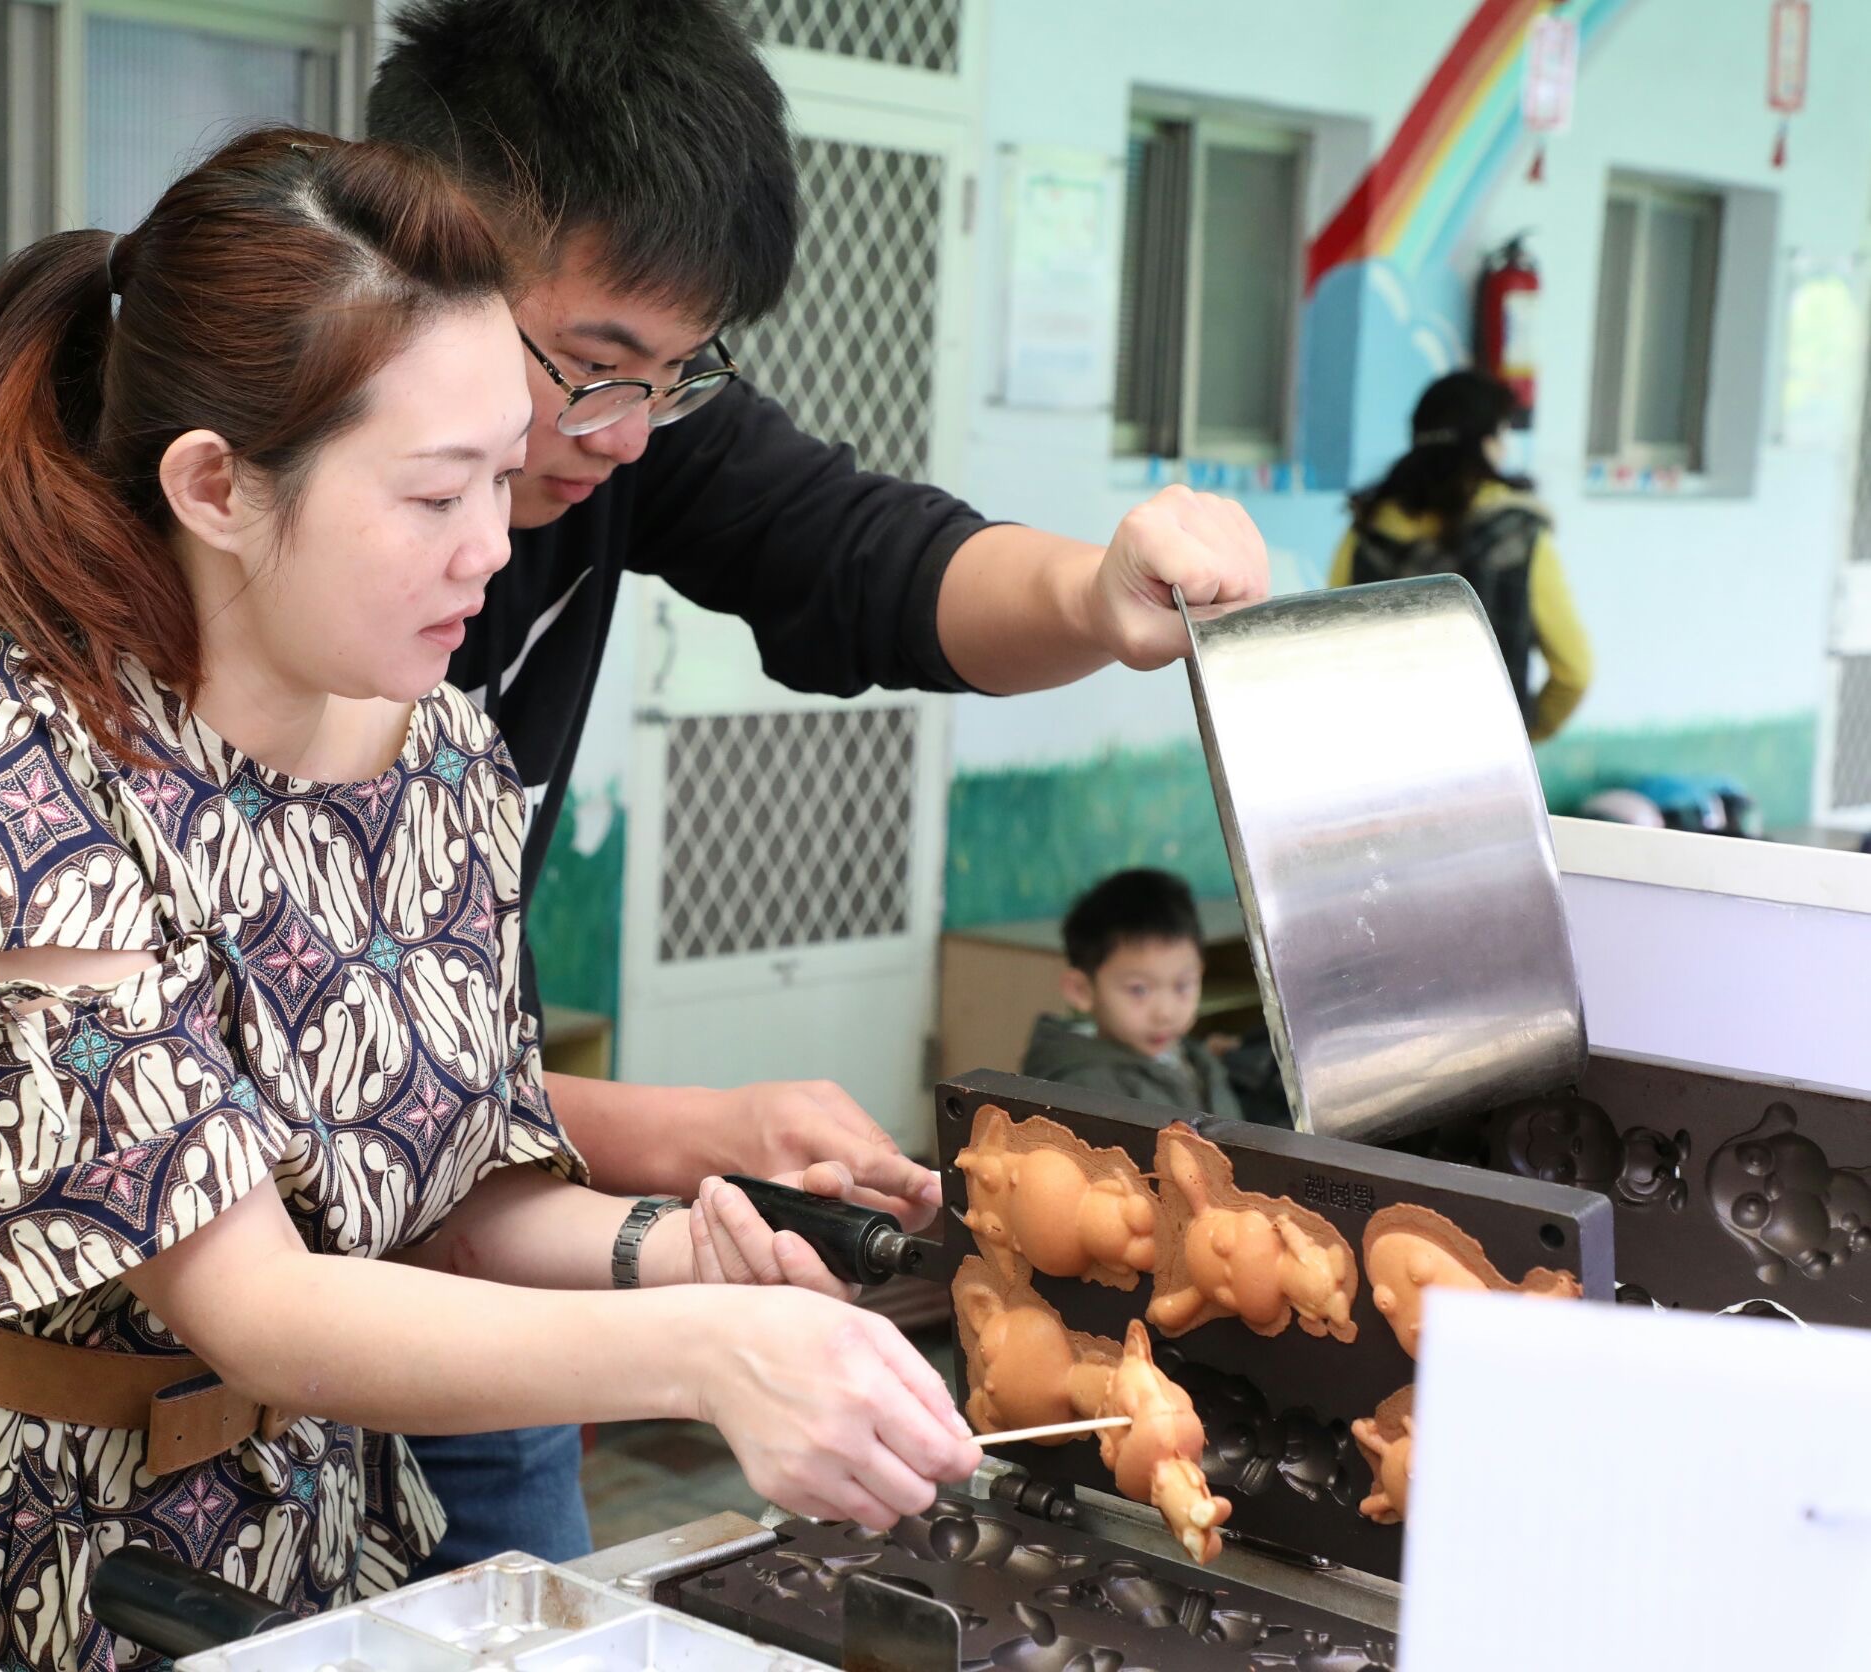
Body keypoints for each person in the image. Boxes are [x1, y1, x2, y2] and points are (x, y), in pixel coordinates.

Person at [0, 129, 980, 1672]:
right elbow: (258, 1304)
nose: (493, 547)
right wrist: (706, 1351)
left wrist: (683, 1248)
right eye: (433, 496)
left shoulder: (434, 747)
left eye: (503, 476)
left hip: (274, 1525)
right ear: (216, 485)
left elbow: (452, 1196)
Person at [366, 0, 1273, 1570]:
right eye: (591, 367)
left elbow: (860, 554)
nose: (624, 435)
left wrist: (1097, 594)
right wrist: (679, 1206)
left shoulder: (595, 450)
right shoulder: (205, 631)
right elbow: (274, 1189)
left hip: (452, 1236)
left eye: (676, 375)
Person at [1331, 369, 1593, 741]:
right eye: (1502, 435)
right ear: (1485, 443)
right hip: (1487, 764)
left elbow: (1329, 653)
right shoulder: (1518, 534)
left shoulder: (1367, 529)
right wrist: (1527, 733)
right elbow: (1574, 671)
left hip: (1380, 756)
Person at [1019, 870, 1240, 1119]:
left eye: (1182, 985)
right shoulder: (1085, 1091)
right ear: (1081, 990)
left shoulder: (1188, 1056)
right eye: (1139, 990)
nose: (1165, 1013)